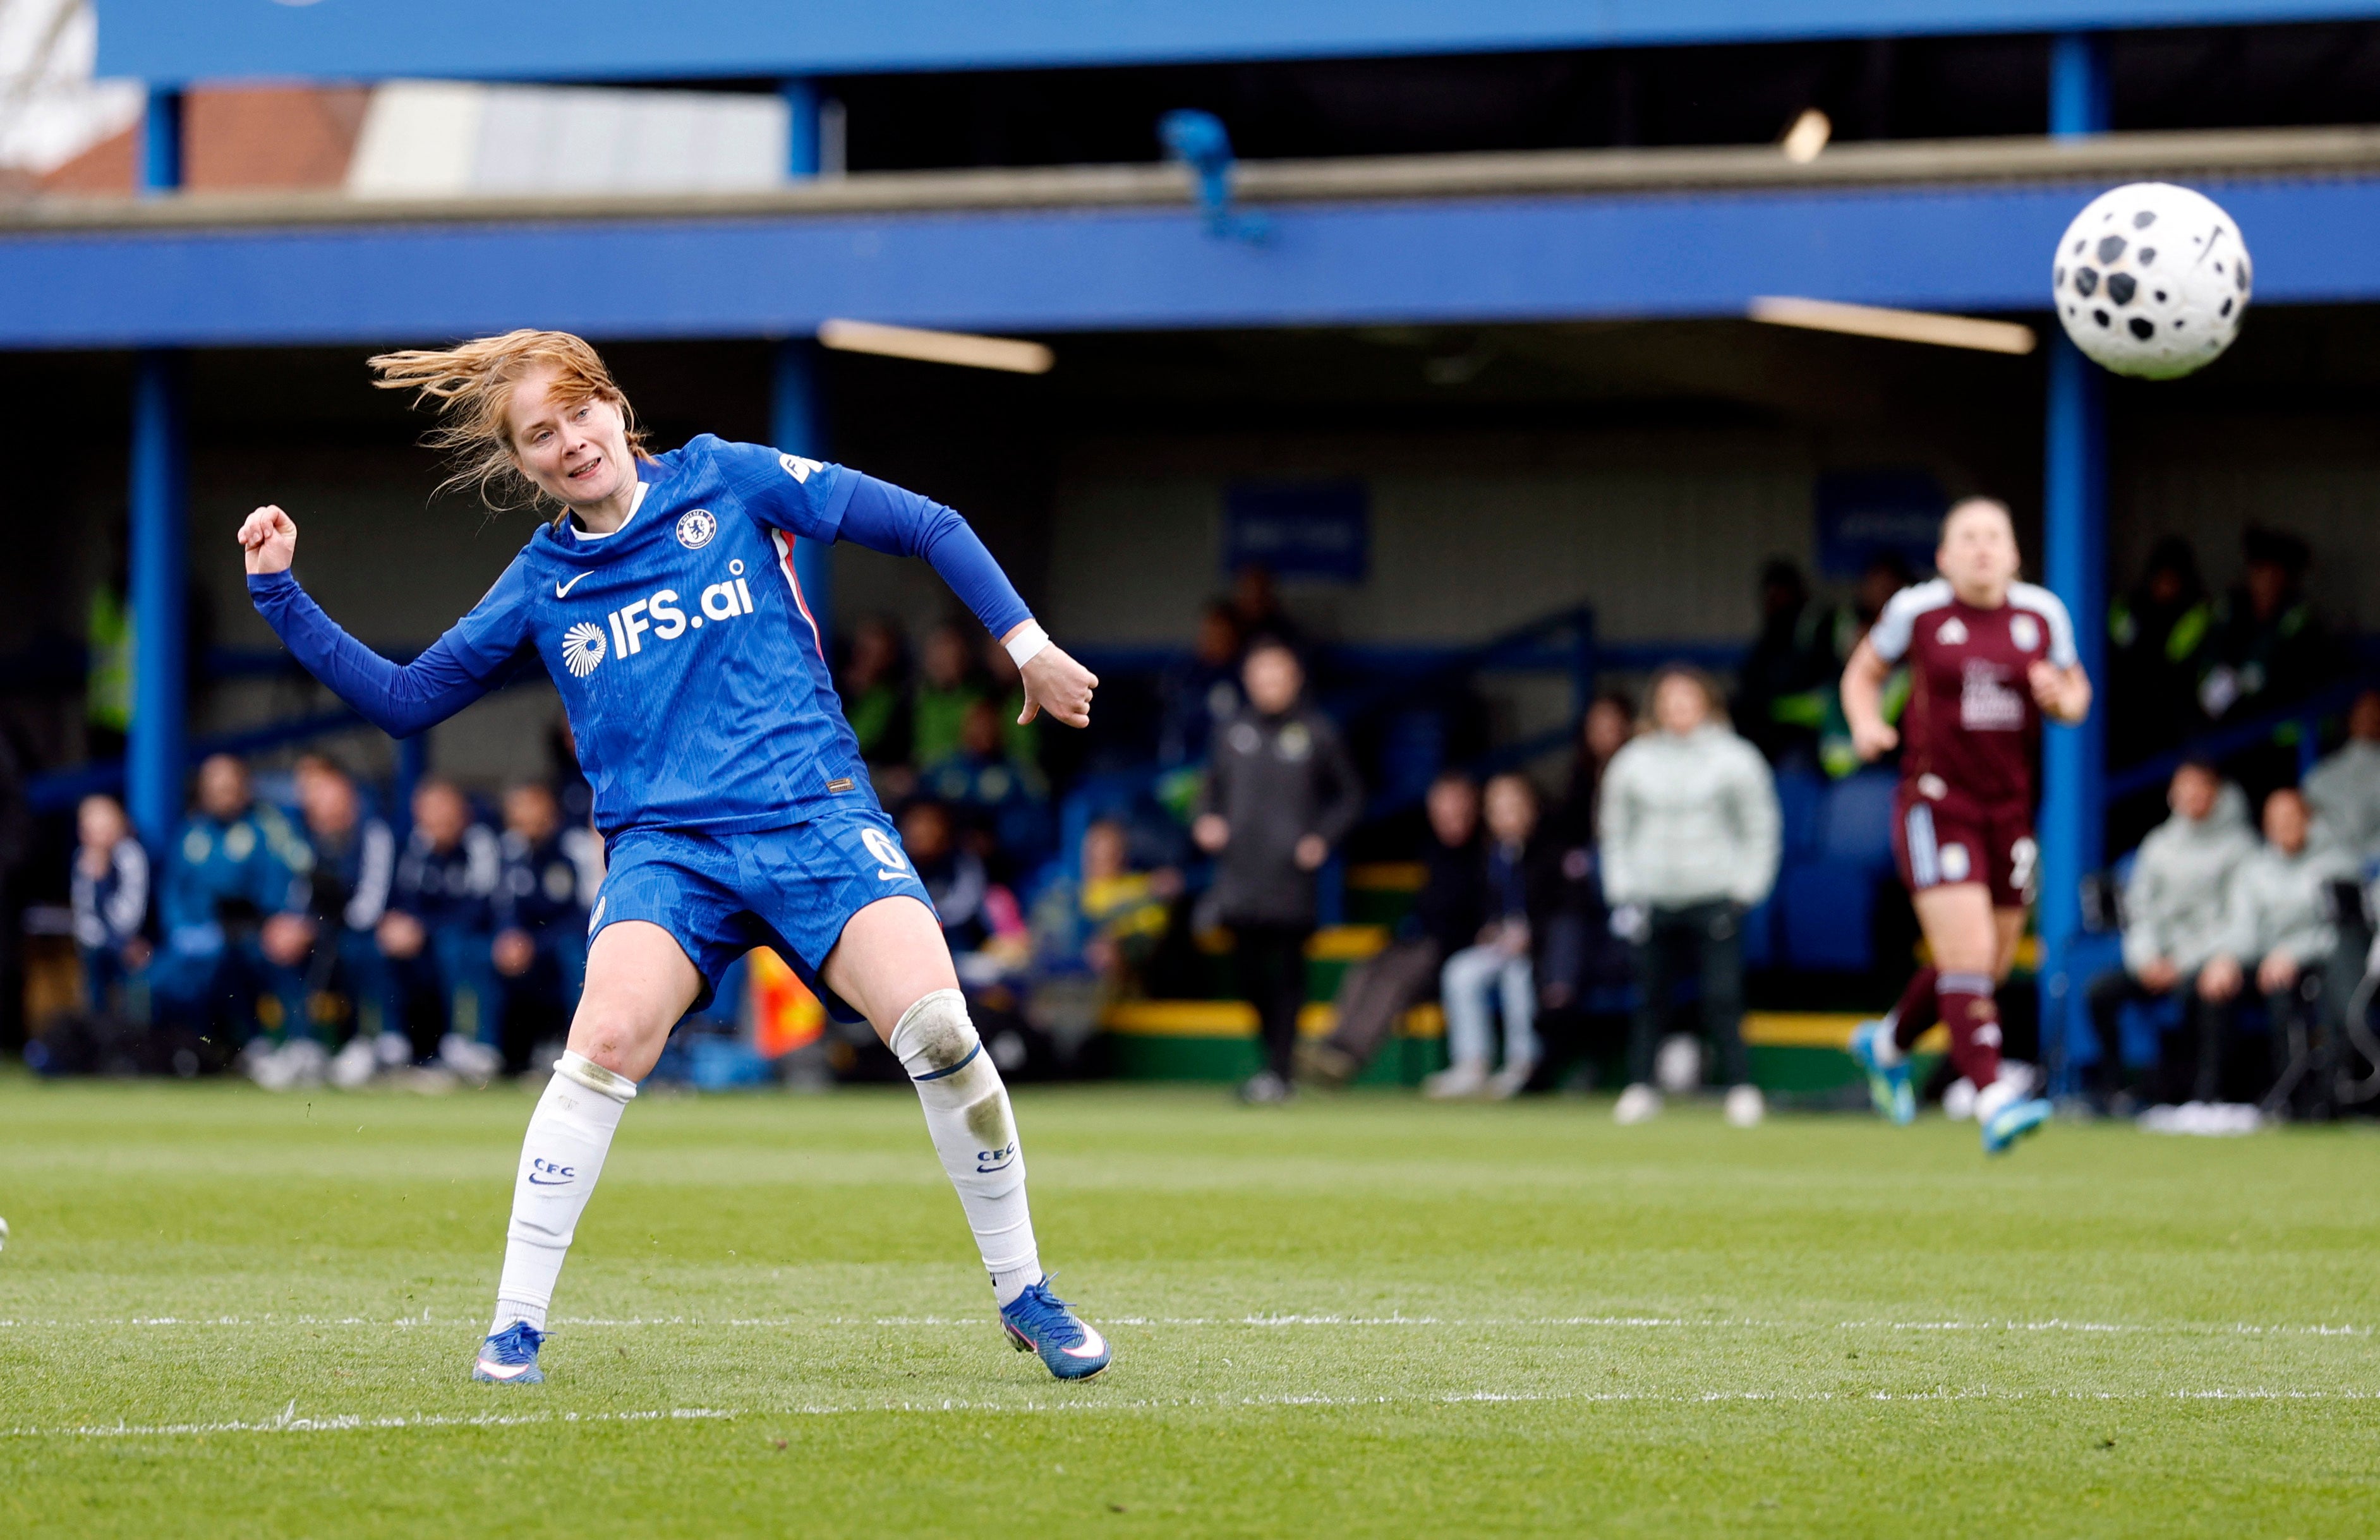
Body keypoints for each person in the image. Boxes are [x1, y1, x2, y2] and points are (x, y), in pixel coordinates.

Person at [238, 328, 1109, 1385]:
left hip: (813, 817)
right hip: (668, 852)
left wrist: (1029, 645)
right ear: (521, 465)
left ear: (615, 407)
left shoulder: (729, 480)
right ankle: (513, 1327)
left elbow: (928, 523)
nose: (570, 442)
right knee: (601, 1035)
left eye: (580, 413)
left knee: (938, 1028)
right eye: (540, 435)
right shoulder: (541, 582)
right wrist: (280, 592)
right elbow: (407, 701)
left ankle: (1024, 1291)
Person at [1842, 498, 2093, 1153]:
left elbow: (2075, 692)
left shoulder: (2042, 613)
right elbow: (1863, 672)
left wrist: (2060, 699)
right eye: (1966, 538)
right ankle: (1990, 1097)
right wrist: (1866, 722)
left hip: (2008, 810)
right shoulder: (1917, 611)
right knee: (1968, 955)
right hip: (1935, 803)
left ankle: (1887, 1041)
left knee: (1987, 962)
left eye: (1993, 537)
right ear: (1943, 556)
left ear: (2012, 554)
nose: (1981, 548)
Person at [1599, 668, 1782, 1128]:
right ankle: (1640, 1086)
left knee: (1723, 996)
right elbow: (1614, 830)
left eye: (1687, 699)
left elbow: (1760, 827)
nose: (1678, 709)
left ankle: (1741, 1088)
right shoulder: (1632, 761)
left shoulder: (1737, 758)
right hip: (1651, 895)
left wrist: (1745, 891)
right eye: (1669, 700)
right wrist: (1623, 892)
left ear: (1706, 703)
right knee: (1648, 997)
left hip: (1715, 894)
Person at [1193, 637, 1362, 1105]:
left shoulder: (1317, 732)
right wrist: (1205, 820)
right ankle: (1275, 1064)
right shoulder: (1230, 733)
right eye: (1260, 675)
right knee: (1248, 976)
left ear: (1294, 679)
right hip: (1240, 878)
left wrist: (1321, 839)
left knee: (1289, 975)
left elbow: (1349, 797)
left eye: (1277, 675)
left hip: (1290, 879)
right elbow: (1207, 794)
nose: (1268, 685)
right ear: (1248, 680)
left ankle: (1279, 1071)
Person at [2081, 762, 2256, 1110]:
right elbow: (2140, 911)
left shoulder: (2241, 846)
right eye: (2185, 788)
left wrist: (2186, 962)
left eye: (2201, 787)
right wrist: (2147, 959)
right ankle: (2116, 1089)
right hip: (2160, 962)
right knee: (2100, 993)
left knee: (2205, 991)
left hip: (2208, 959)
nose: (2193, 796)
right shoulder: (2158, 845)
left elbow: (2240, 918)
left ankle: (2207, 1097)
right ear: (2173, 795)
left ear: (2216, 794)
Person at [1300, 769, 1483, 1087]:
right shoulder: (1432, 847)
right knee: (1368, 966)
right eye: (1441, 806)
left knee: (1397, 976)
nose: (1447, 814)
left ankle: (1349, 1057)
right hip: (1419, 941)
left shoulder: (1486, 850)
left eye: (1455, 805)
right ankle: (1332, 1046)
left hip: (1453, 951)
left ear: (1472, 806)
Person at [149, 754, 313, 1077]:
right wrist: (182, 929)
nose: (222, 793)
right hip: (202, 938)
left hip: (256, 931)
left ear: (244, 787)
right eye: (214, 786)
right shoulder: (191, 834)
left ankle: (293, 1046)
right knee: (168, 976)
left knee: (262, 956)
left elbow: (289, 877)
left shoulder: (268, 826)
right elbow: (173, 891)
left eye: (229, 785)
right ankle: (189, 1052)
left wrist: (280, 920)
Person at [2197, 786, 2359, 1114]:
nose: (2283, 826)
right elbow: (2245, 929)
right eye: (2275, 820)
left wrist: (2291, 955)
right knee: (2211, 986)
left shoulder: (2339, 863)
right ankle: (2213, 1098)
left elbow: (2340, 930)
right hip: (2268, 961)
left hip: (2321, 961)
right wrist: (2225, 957)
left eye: (2291, 817)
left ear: (2308, 820)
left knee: (2317, 996)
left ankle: (2321, 1101)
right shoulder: (2254, 869)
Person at [1425, 772, 1548, 1100]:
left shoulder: (1548, 851)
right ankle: (1471, 1065)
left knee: (1519, 979)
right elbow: (1484, 907)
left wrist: (1532, 935)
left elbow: (1560, 912)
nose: (1505, 816)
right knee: (1460, 972)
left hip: (1537, 952)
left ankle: (1522, 1065)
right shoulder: (1489, 856)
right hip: (1498, 947)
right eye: (1496, 809)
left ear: (1530, 809)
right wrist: (1490, 929)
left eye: (1512, 807)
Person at [378, 778, 504, 1078]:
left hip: (476, 938)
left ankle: (471, 1042)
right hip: (427, 942)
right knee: (379, 945)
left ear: (462, 811)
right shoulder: (416, 845)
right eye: (428, 812)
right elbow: (403, 897)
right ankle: (390, 1041)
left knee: (455, 946)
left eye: (443, 810)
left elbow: (479, 906)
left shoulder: (480, 843)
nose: (436, 820)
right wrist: (399, 925)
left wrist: (421, 927)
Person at [291, 760, 399, 1088]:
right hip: (327, 930)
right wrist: (300, 926)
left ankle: (379, 1042)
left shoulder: (374, 832)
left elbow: (371, 903)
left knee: (360, 952)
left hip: (366, 932)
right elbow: (300, 893)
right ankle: (303, 1044)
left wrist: (328, 922)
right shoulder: (309, 838)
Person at [491, 781, 601, 1071]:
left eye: (531, 808)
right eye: (517, 811)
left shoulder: (576, 847)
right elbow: (501, 905)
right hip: (524, 949)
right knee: (477, 952)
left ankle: (581, 1052)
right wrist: (508, 937)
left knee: (572, 954)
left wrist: (534, 945)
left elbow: (587, 912)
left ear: (549, 809)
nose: (523, 818)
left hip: (566, 943)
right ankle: (491, 1053)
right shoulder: (508, 849)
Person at [2105, 536, 2210, 766]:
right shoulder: (2128, 606)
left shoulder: (2195, 614)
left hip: (2167, 723)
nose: (2165, 585)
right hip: (2122, 716)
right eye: (2160, 577)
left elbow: (2173, 672)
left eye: (2173, 579)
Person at [1736, 558, 1838, 769]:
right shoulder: (1772, 634)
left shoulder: (1818, 626)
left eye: (1780, 592)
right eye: (1770, 594)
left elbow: (1812, 680)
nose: (1774, 599)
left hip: (1809, 736)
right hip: (1769, 730)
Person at [69, 792, 149, 1023]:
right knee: (95, 995)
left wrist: (120, 941)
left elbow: (131, 911)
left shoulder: (131, 856)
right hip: (95, 943)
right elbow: (85, 912)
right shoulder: (82, 859)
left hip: (129, 940)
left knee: (131, 994)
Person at [1158, 601, 1244, 767]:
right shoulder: (1185, 671)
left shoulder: (1244, 673)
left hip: (1234, 760)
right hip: (1187, 760)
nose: (1214, 639)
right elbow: (1173, 720)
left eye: (1222, 633)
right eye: (1209, 632)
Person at [2303, 688, 2380, 862]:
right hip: (2335, 862)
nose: (2371, 720)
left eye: (2376, 715)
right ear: (2352, 719)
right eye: (2365, 714)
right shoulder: (2323, 774)